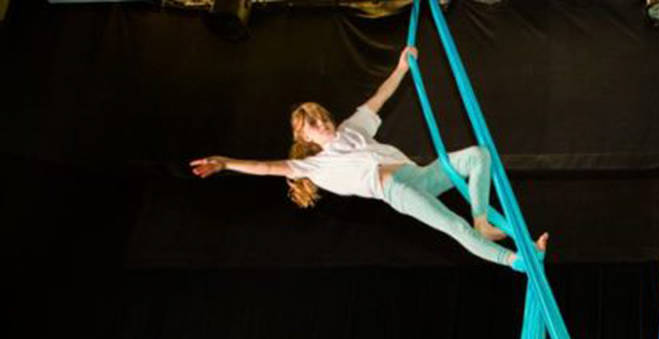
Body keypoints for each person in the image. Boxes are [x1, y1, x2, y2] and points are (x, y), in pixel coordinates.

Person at [190, 47, 548, 270]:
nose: (321, 120)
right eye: (312, 122)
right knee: (453, 227)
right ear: (305, 137)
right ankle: (516, 260)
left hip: (419, 174)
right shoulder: (313, 166)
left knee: (477, 155)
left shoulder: (351, 128)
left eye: (320, 113)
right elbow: (267, 168)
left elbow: (380, 98)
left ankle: (482, 220)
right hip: (394, 190)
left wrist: (401, 68)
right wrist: (225, 162)